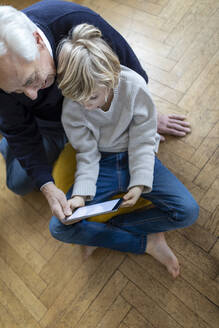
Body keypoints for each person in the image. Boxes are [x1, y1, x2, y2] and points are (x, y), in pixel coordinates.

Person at [0, 0, 191, 222]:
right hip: (47, 125)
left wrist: (148, 113)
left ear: (37, 40)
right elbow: (19, 130)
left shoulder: (75, 19)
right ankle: (7, 145)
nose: (32, 95)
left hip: (89, 118)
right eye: (16, 90)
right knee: (19, 184)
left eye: (32, 80)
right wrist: (46, 185)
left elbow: (132, 72)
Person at [48, 23, 199, 278]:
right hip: (101, 163)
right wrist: (81, 197)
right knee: (59, 227)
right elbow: (86, 153)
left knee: (188, 211)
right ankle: (145, 242)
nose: (86, 106)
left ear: (110, 77)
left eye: (92, 98)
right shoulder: (74, 106)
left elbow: (143, 140)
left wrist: (139, 182)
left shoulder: (134, 86)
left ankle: (108, 233)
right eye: (78, 100)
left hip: (135, 153)